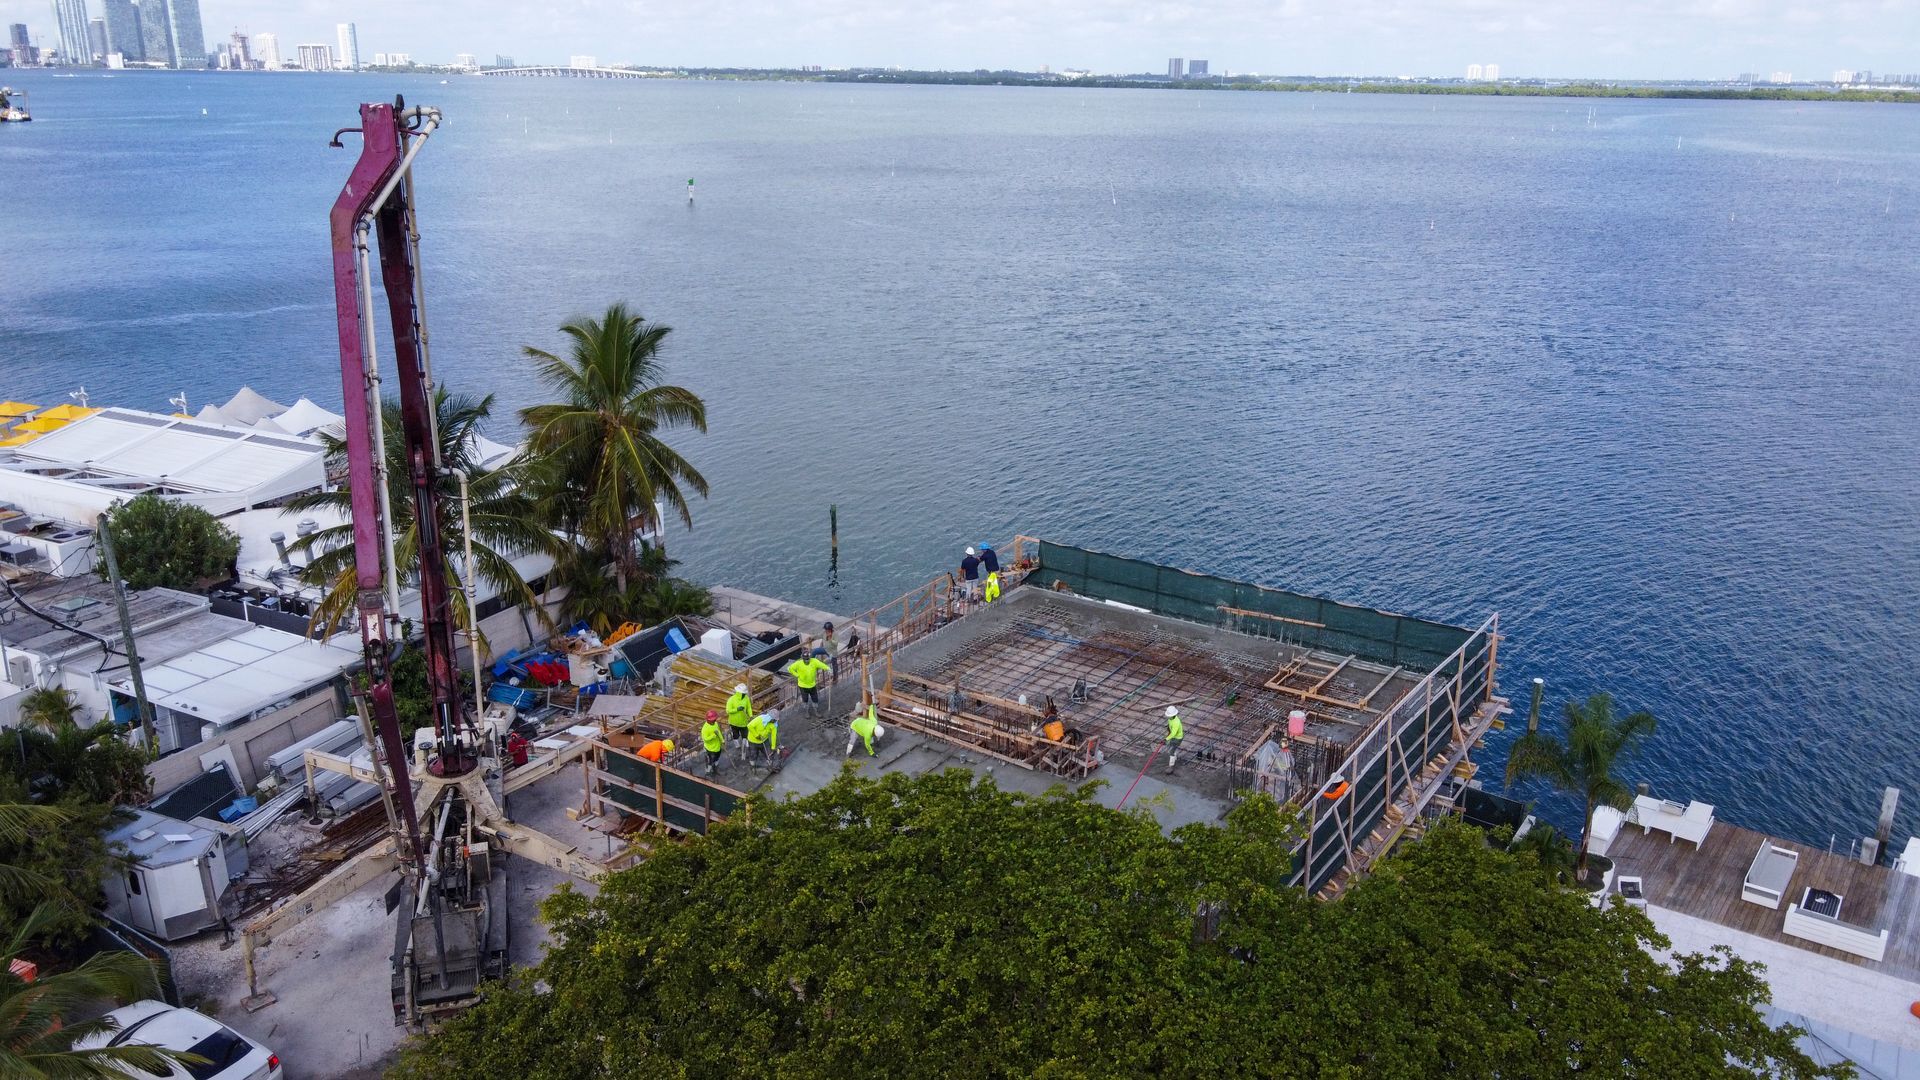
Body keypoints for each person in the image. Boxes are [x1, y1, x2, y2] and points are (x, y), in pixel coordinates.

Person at [786, 649, 834, 717]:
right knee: (805, 699)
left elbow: (821, 665)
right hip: (803, 685)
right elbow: (789, 668)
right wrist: (797, 675)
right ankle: (806, 712)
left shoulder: (814, 661)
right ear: (802, 658)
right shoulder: (798, 663)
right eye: (805, 659)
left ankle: (816, 711)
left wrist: (828, 669)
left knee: (815, 698)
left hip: (812, 684)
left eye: (808, 659)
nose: (807, 661)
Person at [725, 682, 753, 748]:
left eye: (744, 693)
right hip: (734, 722)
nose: (744, 694)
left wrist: (751, 715)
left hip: (744, 721)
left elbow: (749, 707)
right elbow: (728, 710)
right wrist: (737, 709)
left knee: (745, 734)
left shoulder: (746, 698)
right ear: (739, 692)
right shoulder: (731, 699)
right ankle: (737, 744)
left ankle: (745, 744)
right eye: (743, 693)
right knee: (735, 734)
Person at [700, 710, 725, 774]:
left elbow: (718, 732)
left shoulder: (716, 724)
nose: (714, 720)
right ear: (708, 720)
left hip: (717, 746)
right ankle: (708, 772)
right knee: (711, 761)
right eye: (713, 719)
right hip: (710, 748)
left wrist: (722, 740)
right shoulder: (705, 728)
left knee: (717, 758)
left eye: (715, 719)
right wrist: (712, 736)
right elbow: (705, 739)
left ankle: (715, 769)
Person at [1163, 705, 1184, 773]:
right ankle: (1174, 757)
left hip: (1177, 738)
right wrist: (1168, 727)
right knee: (1171, 748)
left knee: (1171, 751)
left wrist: (1166, 739)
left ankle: (1171, 766)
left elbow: (1173, 734)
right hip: (1173, 737)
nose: (1168, 716)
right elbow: (1170, 724)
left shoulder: (1176, 722)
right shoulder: (1171, 718)